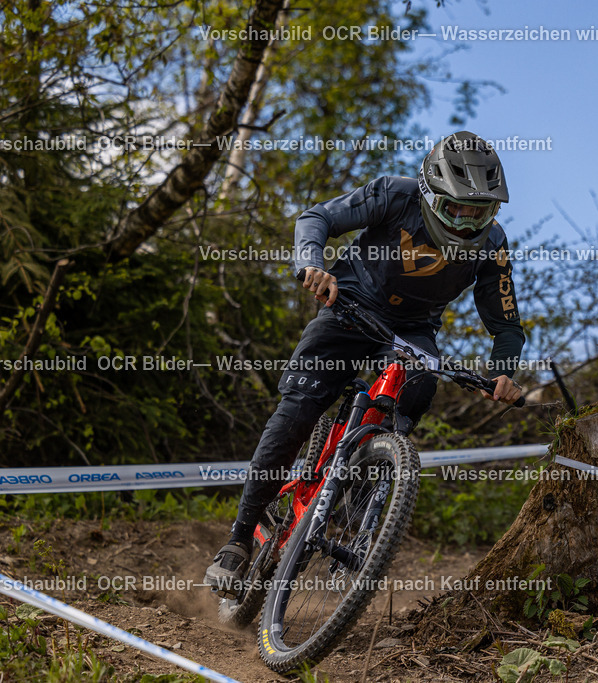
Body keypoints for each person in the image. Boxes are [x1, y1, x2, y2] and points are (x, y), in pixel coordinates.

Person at [205, 131, 526, 595]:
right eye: (457, 208)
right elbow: (317, 217)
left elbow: (507, 325)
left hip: (412, 331)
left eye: (479, 211)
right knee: (296, 412)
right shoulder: (394, 195)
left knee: (419, 387)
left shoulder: (491, 243)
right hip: (349, 303)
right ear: (432, 194)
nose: (466, 222)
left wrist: (503, 372)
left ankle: (361, 500)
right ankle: (238, 540)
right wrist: (311, 263)